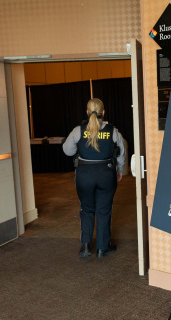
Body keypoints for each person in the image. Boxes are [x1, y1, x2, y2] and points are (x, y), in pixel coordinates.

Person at [62, 98, 125, 258]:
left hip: (84, 176)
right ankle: (103, 248)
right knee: (104, 211)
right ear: (103, 113)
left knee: (86, 209)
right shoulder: (113, 131)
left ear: (87, 112)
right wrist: (120, 171)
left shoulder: (78, 130)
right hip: (106, 174)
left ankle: (85, 246)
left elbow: (68, 151)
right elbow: (121, 153)